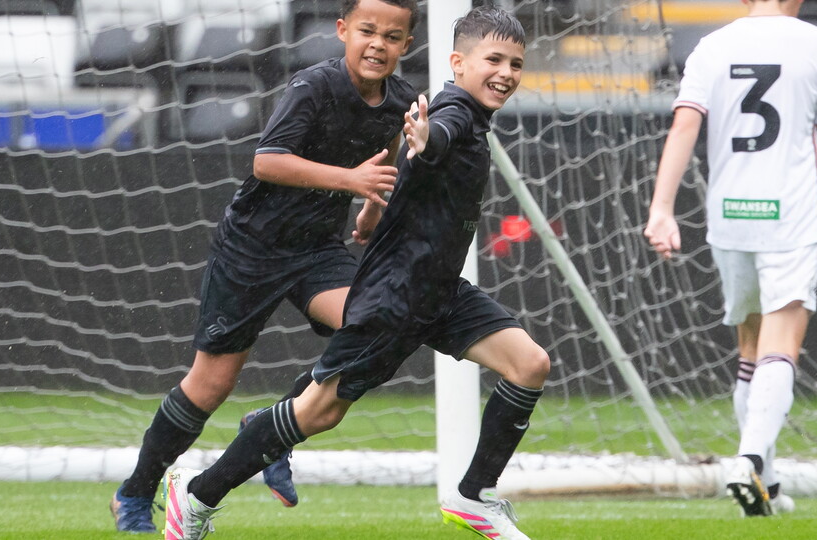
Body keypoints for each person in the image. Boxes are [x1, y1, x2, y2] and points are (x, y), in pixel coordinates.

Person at [162, 7, 550, 540]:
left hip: (439, 291)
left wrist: (376, 203)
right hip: (394, 296)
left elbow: (413, 159)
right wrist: (426, 139)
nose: (506, 72)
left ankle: (473, 496)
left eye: (515, 63)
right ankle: (197, 495)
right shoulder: (453, 108)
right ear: (458, 62)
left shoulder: (467, 112)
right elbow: (439, 134)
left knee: (529, 364)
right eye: (493, 60)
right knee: (320, 413)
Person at [110, 0, 420, 532]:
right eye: (367, 31)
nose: (378, 44)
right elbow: (266, 161)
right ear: (343, 30)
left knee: (374, 322)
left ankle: (271, 424)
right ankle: (135, 492)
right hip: (252, 247)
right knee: (209, 386)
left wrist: (370, 207)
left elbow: (387, 150)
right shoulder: (313, 86)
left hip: (316, 248)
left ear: (406, 45)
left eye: (392, 37)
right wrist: (351, 182)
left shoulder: (399, 99)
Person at [645, 0, 817, 518]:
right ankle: (749, 459)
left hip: (730, 216)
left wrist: (662, 208)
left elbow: (684, 127)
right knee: (781, 346)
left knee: (750, 348)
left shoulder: (712, 45)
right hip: (792, 213)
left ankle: (768, 486)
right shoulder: (816, 42)